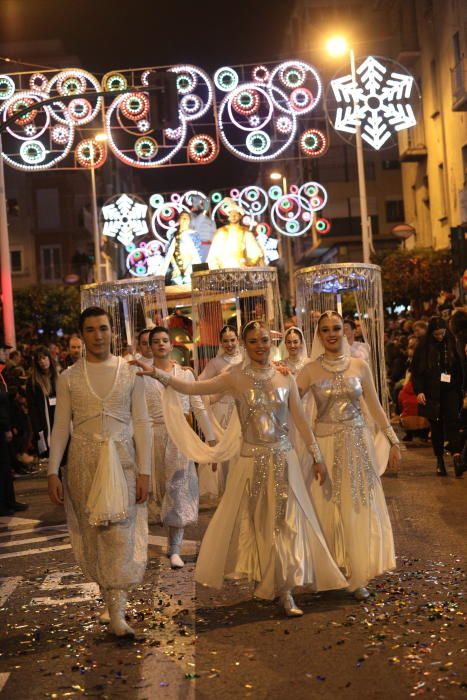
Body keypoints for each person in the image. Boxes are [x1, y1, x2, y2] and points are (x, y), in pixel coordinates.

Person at [136, 320, 347, 617]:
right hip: (250, 464)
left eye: (264, 340)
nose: (260, 345)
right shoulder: (235, 376)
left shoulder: (285, 377)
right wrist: (158, 374)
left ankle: (286, 590)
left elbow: (300, 419)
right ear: (246, 346)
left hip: (283, 461)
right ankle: (265, 580)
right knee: (258, 523)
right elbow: (193, 387)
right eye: (253, 341)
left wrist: (316, 456)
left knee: (286, 524)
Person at [47, 307, 152, 637]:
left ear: (113, 332)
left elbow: (142, 423)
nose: (98, 335)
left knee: (119, 534)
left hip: (123, 463)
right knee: (96, 537)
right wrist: (52, 470)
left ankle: (117, 613)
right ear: (81, 334)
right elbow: (61, 426)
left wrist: (145, 471)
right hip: (83, 464)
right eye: (90, 330)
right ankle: (113, 603)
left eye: (103, 328)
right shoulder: (68, 378)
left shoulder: (130, 372)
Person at [296, 311, 400, 601]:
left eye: (336, 328)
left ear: (344, 331)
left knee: (358, 508)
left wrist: (392, 440)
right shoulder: (309, 371)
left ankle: (357, 575)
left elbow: (375, 406)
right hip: (325, 448)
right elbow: (289, 402)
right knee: (327, 509)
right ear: (318, 335)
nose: (331, 333)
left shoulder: (359, 365)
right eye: (325, 329)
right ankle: (330, 572)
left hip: (357, 445)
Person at [143, 326, 216, 568]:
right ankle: (157, 538)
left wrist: (211, 438)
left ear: (171, 346)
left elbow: (198, 406)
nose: (161, 344)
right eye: (156, 341)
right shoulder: (141, 376)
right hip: (154, 435)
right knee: (159, 493)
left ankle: (175, 548)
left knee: (178, 490)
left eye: (165, 340)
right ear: (150, 346)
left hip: (179, 437)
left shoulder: (185, 375)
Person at [411, 316, 464, 477]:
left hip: (451, 390)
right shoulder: (423, 348)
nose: (440, 337)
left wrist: (462, 388)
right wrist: (419, 391)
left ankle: (456, 456)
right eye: (436, 335)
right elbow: (417, 372)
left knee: (453, 422)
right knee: (436, 426)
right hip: (431, 392)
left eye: (442, 333)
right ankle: (440, 460)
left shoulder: (452, 343)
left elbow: (460, 367)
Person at [198, 325, 243, 501]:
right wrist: (213, 397)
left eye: (232, 340)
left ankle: (240, 489)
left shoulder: (246, 359)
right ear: (220, 343)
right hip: (222, 412)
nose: (230, 344)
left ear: (238, 339)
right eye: (225, 341)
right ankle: (226, 493)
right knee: (224, 450)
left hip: (241, 410)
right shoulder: (216, 363)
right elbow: (200, 382)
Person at [0, 343, 27, 516]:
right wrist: (5, 427)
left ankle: (9, 501)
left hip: (5, 424)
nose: (6, 353)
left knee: (5, 466)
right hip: (1, 427)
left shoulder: (1, 372)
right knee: (2, 467)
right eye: (3, 350)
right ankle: (3, 504)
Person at [207, 199, 265, 270]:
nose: (233, 216)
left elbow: (256, 253)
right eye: (231, 214)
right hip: (224, 270)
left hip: (241, 270)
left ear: (240, 216)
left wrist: (246, 262)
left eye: (235, 214)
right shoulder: (221, 232)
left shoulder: (246, 232)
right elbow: (213, 254)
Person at [26, 346, 58, 458]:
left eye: (44, 358)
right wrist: (38, 429)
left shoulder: (58, 376)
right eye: (39, 360)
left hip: (59, 419)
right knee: (52, 454)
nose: (42, 362)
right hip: (44, 422)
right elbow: (32, 408)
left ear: (49, 358)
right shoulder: (33, 382)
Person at [164, 211, 201, 285]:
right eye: (182, 217)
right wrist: (175, 267)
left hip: (191, 270)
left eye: (187, 218)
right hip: (177, 272)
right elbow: (169, 253)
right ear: (178, 220)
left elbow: (197, 253)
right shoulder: (173, 235)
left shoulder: (194, 235)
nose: (185, 219)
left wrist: (190, 268)